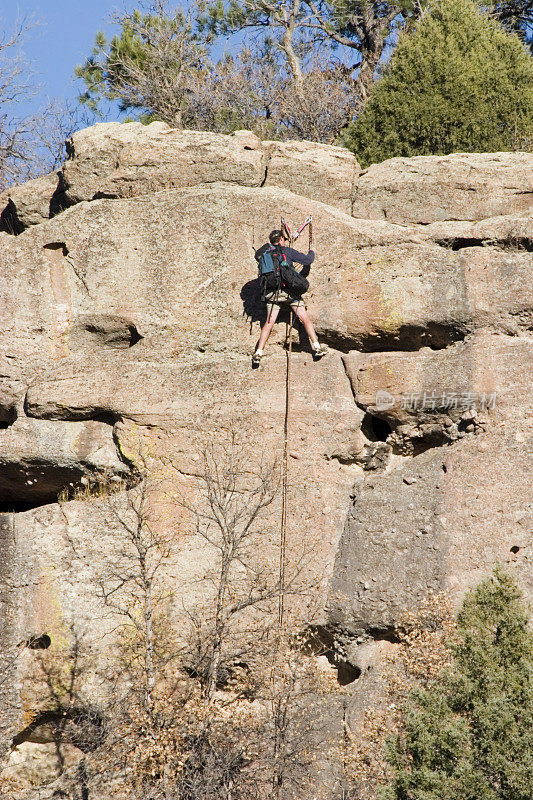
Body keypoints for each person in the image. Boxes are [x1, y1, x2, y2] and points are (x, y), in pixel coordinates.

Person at [252, 230, 328, 366]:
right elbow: (307, 260)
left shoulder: (265, 254)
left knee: (268, 324)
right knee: (304, 318)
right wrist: (312, 251)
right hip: (290, 294)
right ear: (281, 239)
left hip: (272, 294)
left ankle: (258, 353)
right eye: (284, 239)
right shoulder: (287, 251)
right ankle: (316, 347)